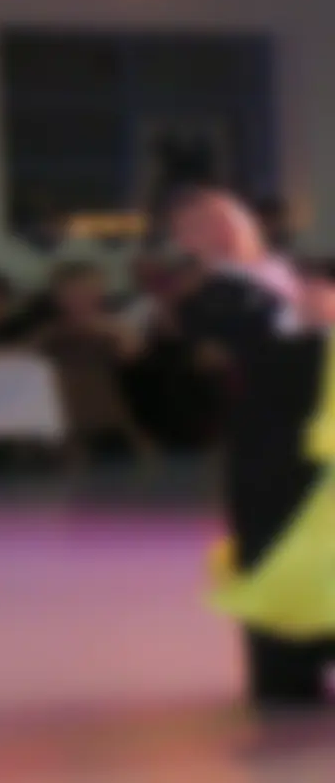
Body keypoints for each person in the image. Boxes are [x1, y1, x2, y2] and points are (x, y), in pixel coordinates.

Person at [167, 188, 333, 706]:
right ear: (184, 240)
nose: (219, 227)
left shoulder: (303, 271)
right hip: (274, 441)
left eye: (226, 215)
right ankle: (286, 677)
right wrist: (304, 318)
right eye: (199, 222)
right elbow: (236, 335)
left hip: (328, 431)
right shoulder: (207, 295)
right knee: (272, 542)